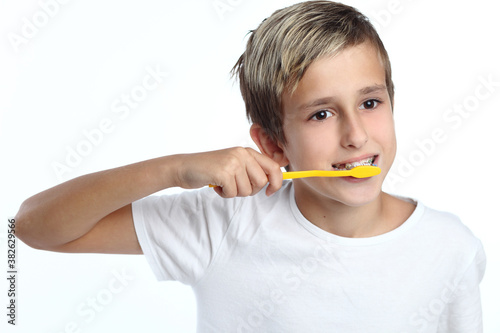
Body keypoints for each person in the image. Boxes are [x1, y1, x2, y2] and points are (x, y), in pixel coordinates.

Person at [15, 1, 485, 332]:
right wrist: (174, 170)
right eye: (321, 113)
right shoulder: (221, 223)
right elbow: (33, 227)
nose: (356, 135)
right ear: (273, 143)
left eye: (369, 102)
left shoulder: (450, 249)